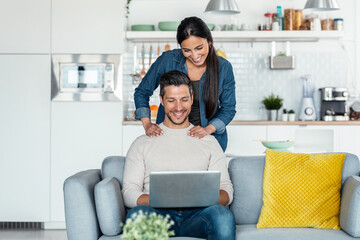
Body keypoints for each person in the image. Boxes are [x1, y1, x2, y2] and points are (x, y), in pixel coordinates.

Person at [122, 70, 236, 240]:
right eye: (171, 100)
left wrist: (198, 199)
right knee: (137, 215)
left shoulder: (209, 142)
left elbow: (226, 191)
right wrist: (165, 200)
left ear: (191, 99)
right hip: (157, 215)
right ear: (161, 101)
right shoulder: (142, 143)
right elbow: (129, 192)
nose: (178, 107)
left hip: (198, 217)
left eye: (183, 100)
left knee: (222, 215)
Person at [134, 16, 236, 151]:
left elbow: (228, 109)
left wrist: (207, 130)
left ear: (209, 41)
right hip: (168, 139)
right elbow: (142, 92)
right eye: (186, 50)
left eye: (199, 48)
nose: (194, 55)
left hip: (208, 140)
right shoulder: (167, 60)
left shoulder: (224, 67)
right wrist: (147, 124)